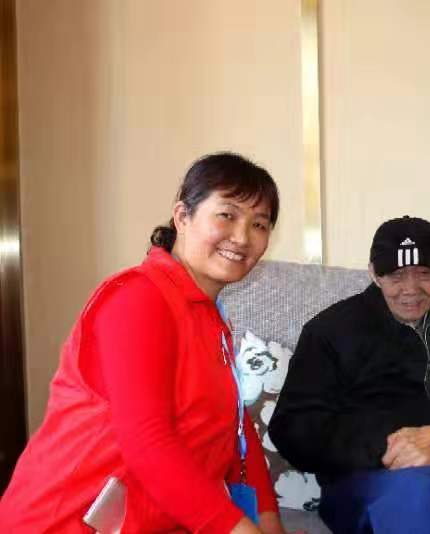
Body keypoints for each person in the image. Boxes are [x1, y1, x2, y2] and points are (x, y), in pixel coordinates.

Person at [0, 153, 290, 533]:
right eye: (227, 215)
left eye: (259, 224)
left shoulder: (208, 315)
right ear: (182, 216)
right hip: (64, 523)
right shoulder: (139, 299)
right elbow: (148, 442)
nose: (242, 237)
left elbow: (236, 427)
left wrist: (269, 521)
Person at [268, 215, 430, 534]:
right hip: (366, 484)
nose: (411, 290)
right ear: (374, 273)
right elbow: (293, 427)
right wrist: (395, 449)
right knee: (424, 492)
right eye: (396, 275)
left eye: (424, 274)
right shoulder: (330, 331)